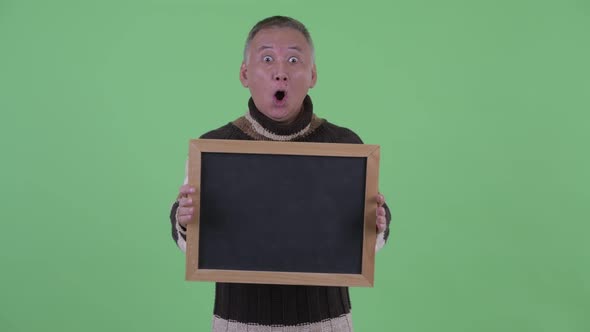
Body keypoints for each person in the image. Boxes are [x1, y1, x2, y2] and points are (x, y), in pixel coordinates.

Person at [169, 15, 392, 332]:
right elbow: (188, 234)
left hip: (326, 321)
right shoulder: (214, 148)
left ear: (312, 74)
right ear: (245, 73)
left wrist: (377, 223)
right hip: (238, 321)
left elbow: (365, 240)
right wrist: (183, 219)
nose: (280, 73)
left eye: (293, 59)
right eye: (267, 59)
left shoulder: (345, 146)